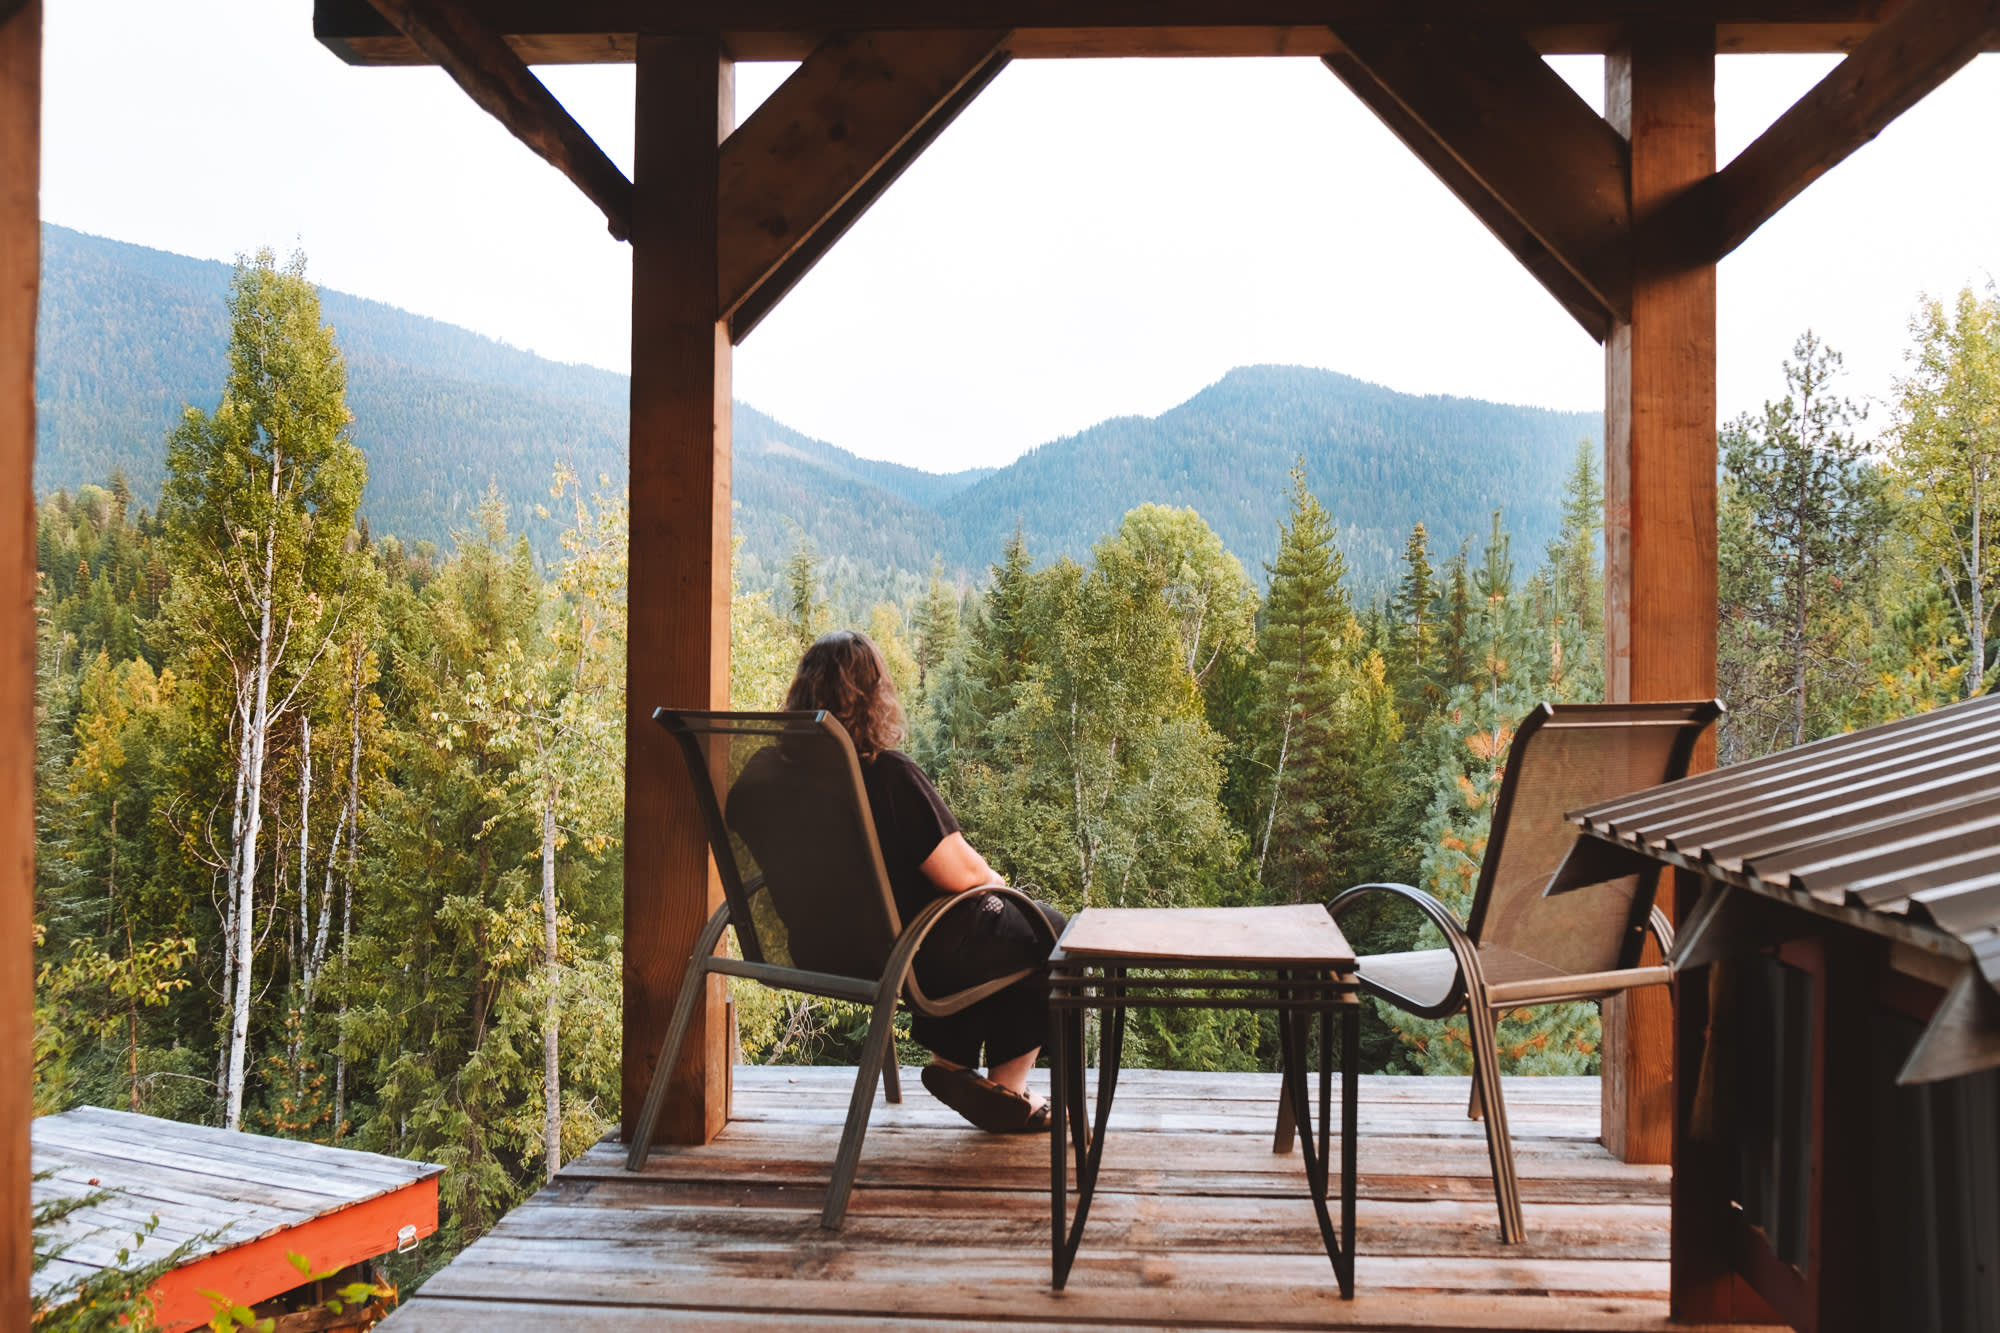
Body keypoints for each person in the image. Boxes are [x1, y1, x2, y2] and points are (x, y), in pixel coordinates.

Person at [781, 629, 1063, 1133]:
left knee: (981, 929)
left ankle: (955, 1063)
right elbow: (964, 873)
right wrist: (1004, 893)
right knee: (1043, 929)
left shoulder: (778, 779)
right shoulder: (886, 776)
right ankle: (1006, 1087)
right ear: (874, 698)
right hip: (902, 952)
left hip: (821, 949)